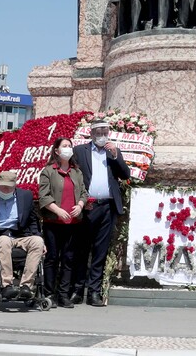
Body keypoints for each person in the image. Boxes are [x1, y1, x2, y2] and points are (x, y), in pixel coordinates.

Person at [70, 119, 131, 306]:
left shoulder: (113, 151)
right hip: (87, 207)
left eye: (105, 132)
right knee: (82, 250)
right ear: (92, 133)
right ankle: (77, 290)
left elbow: (125, 174)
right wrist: (79, 201)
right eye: (99, 132)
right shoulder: (80, 151)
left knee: (100, 251)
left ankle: (94, 292)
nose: (102, 135)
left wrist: (115, 155)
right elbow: (73, 176)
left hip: (107, 207)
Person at [0, 170, 45, 301]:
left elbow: (33, 221)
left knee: (38, 241)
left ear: (14, 186)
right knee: (4, 240)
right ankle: (6, 285)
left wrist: (39, 237)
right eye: (2, 186)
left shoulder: (26, 196)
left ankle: (26, 286)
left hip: (20, 235)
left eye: (8, 187)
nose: (5, 189)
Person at [38, 138, 88, 308]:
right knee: (52, 258)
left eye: (69, 146)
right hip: (53, 222)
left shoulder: (76, 172)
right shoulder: (48, 171)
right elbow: (43, 196)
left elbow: (84, 192)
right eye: (64, 146)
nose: (68, 149)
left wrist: (80, 205)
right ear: (57, 151)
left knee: (68, 258)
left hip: (73, 223)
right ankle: (49, 293)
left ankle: (63, 295)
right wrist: (58, 210)